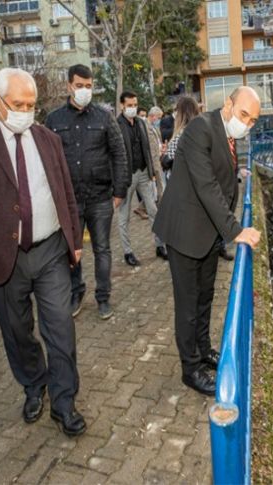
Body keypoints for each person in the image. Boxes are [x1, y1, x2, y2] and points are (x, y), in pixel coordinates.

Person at [0, 68, 86, 437]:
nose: (26, 110)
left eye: (32, 104)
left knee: (60, 327)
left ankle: (64, 400)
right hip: (2, 259)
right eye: (18, 104)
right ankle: (33, 384)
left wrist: (75, 241)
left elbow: (65, 192)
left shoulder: (49, 140)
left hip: (51, 250)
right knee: (18, 332)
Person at [153, 86, 262, 396]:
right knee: (188, 305)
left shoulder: (226, 133)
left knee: (205, 298)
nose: (247, 124)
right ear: (228, 104)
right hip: (185, 233)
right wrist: (236, 230)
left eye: (253, 120)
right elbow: (206, 185)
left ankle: (203, 350)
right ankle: (190, 368)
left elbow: (220, 174)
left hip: (207, 234)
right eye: (244, 115)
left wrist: (235, 172)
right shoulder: (201, 127)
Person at [45, 64, 129, 319]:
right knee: (71, 250)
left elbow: (118, 153)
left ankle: (103, 297)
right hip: (70, 200)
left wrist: (120, 190)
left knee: (102, 249)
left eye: (89, 86)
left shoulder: (104, 117)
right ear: (69, 85)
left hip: (101, 197)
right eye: (80, 85)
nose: (84, 90)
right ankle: (75, 292)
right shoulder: (54, 120)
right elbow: (47, 159)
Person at [116, 91, 168, 266]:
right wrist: (118, 181)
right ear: (122, 105)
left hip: (144, 173)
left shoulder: (140, 123)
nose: (133, 108)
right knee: (124, 215)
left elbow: (146, 147)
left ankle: (160, 245)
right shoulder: (116, 125)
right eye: (129, 105)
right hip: (127, 176)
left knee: (153, 209)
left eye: (135, 104)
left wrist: (152, 170)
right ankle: (127, 252)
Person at [145, 106, 166, 199]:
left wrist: (161, 147)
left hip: (158, 157)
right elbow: (149, 145)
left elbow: (157, 141)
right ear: (153, 116)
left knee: (160, 183)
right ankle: (162, 202)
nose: (159, 120)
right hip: (153, 159)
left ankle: (142, 206)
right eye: (159, 117)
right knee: (160, 183)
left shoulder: (154, 127)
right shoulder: (145, 126)